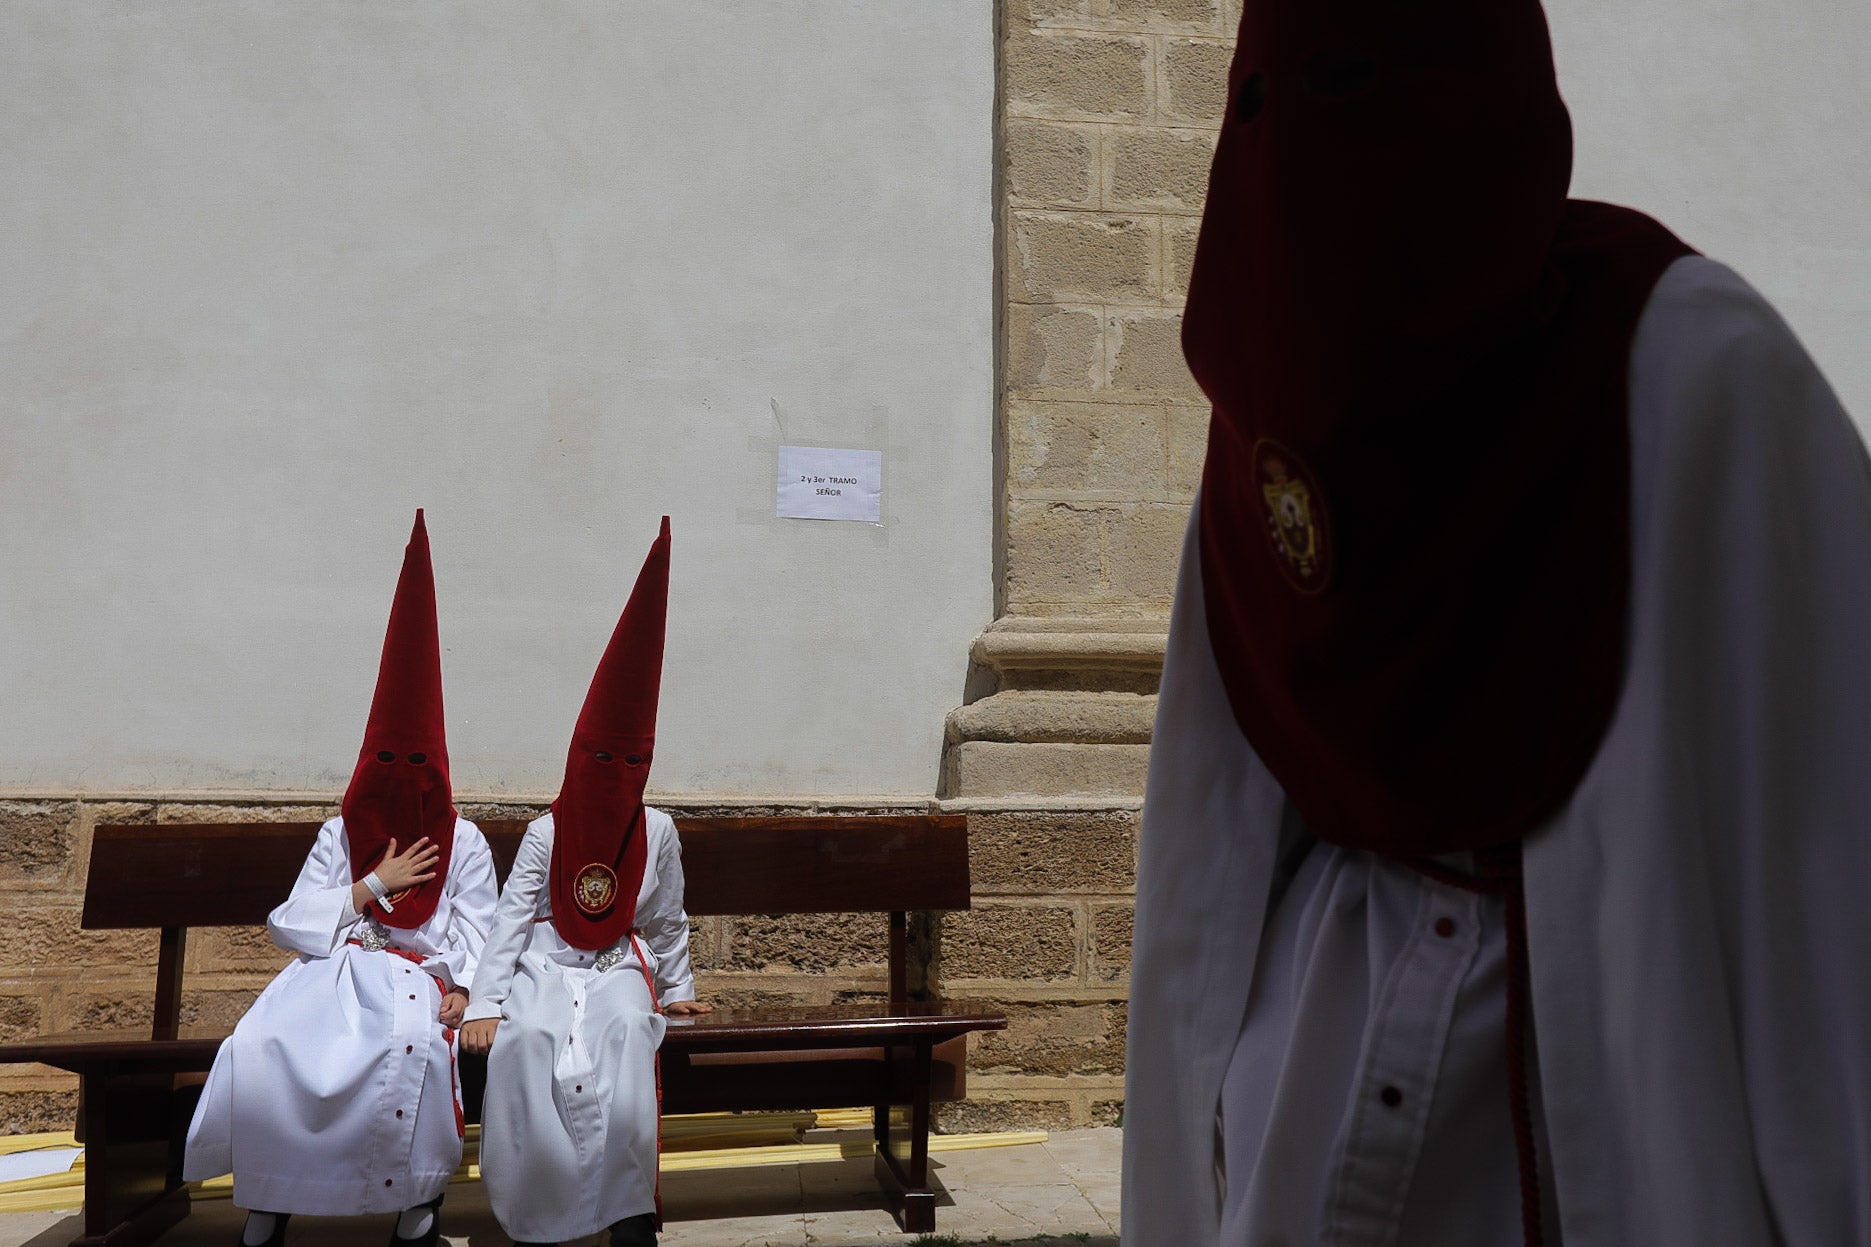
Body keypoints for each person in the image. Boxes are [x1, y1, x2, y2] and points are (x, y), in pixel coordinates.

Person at [1120, 1, 1871, 1244]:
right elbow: (1203, 842)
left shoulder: (1690, 373)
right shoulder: (1260, 430)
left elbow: (1823, 865)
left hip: (1630, 1065)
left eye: (1362, 77)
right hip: (1311, 1088)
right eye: (1264, 98)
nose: (1309, 149)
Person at [184, 511, 498, 1247]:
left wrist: (464, 986)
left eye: (417, 766)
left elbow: (480, 923)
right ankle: (271, 1200)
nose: (401, 780)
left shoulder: (468, 839)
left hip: (417, 979)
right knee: (266, 1045)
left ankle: (413, 1204)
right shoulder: (338, 833)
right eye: (386, 763)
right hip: (329, 975)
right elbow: (288, 920)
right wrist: (367, 886)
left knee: (407, 1049)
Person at [461, 517, 711, 1247]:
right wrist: (484, 1000)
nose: (613, 780)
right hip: (546, 965)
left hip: (614, 969)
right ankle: (535, 1205)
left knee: (630, 1035)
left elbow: (665, 917)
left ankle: (626, 1207)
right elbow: (511, 916)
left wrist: (675, 988)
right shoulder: (547, 831)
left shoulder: (657, 830)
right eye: (600, 761)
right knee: (528, 1040)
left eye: (627, 766)